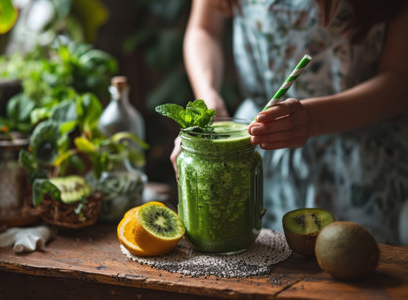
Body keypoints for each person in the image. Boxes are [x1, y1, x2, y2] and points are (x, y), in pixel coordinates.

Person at [173, 0, 408, 245]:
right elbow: (205, 29)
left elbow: (401, 79)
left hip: (360, 162)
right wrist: (208, 95)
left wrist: (314, 119)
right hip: (261, 149)